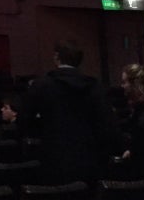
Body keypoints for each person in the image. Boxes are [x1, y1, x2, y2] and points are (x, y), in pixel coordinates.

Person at [17, 40, 120, 184]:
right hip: (90, 158)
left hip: (53, 156)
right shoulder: (94, 86)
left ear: (56, 57)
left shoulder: (42, 85)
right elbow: (107, 123)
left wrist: (42, 130)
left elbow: (24, 120)